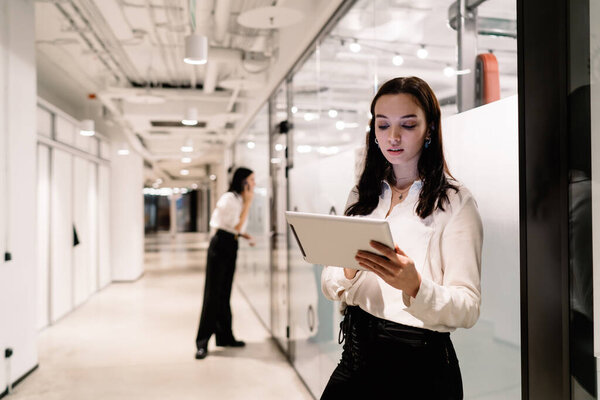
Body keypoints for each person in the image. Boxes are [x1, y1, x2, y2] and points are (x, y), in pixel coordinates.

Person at [320, 77, 483, 399]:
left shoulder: (455, 202)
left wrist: (415, 286)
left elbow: (468, 308)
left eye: (407, 125)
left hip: (418, 369)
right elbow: (330, 284)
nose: (393, 137)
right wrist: (350, 269)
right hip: (355, 355)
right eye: (383, 126)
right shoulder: (362, 195)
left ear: (430, 129)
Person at [195, 167, 256, 360]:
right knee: (213, 294)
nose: (254, 184)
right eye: (251, 180)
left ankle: (224, 336)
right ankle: (202, 342)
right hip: (220, 245)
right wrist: (248, 203)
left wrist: (245, 235)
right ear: (243, 182)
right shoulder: (229, 199)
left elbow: (235, 228)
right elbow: (230, 226)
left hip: (231, 243)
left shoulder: (238, 200)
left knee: (225, 293)